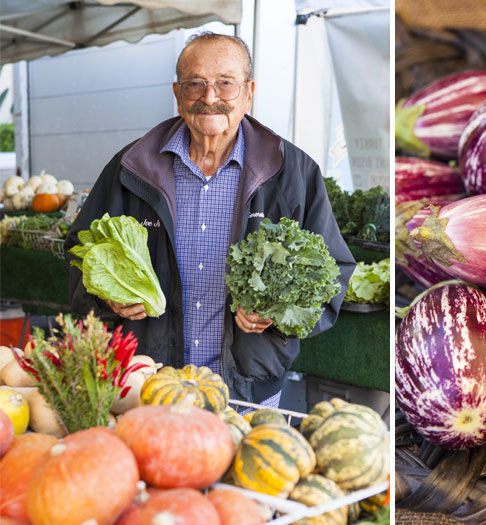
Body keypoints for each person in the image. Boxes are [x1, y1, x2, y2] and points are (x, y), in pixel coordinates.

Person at [64, 32, 356, 407]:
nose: (209, 97)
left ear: (249, 92)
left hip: (247, 389)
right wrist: (107, 298)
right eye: (195, 84)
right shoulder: (131, 167)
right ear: (177, 92)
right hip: (147, 384)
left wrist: (278, 315)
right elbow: (78, 252)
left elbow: (334, 272)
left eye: (225, 84)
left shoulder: (294, 173)